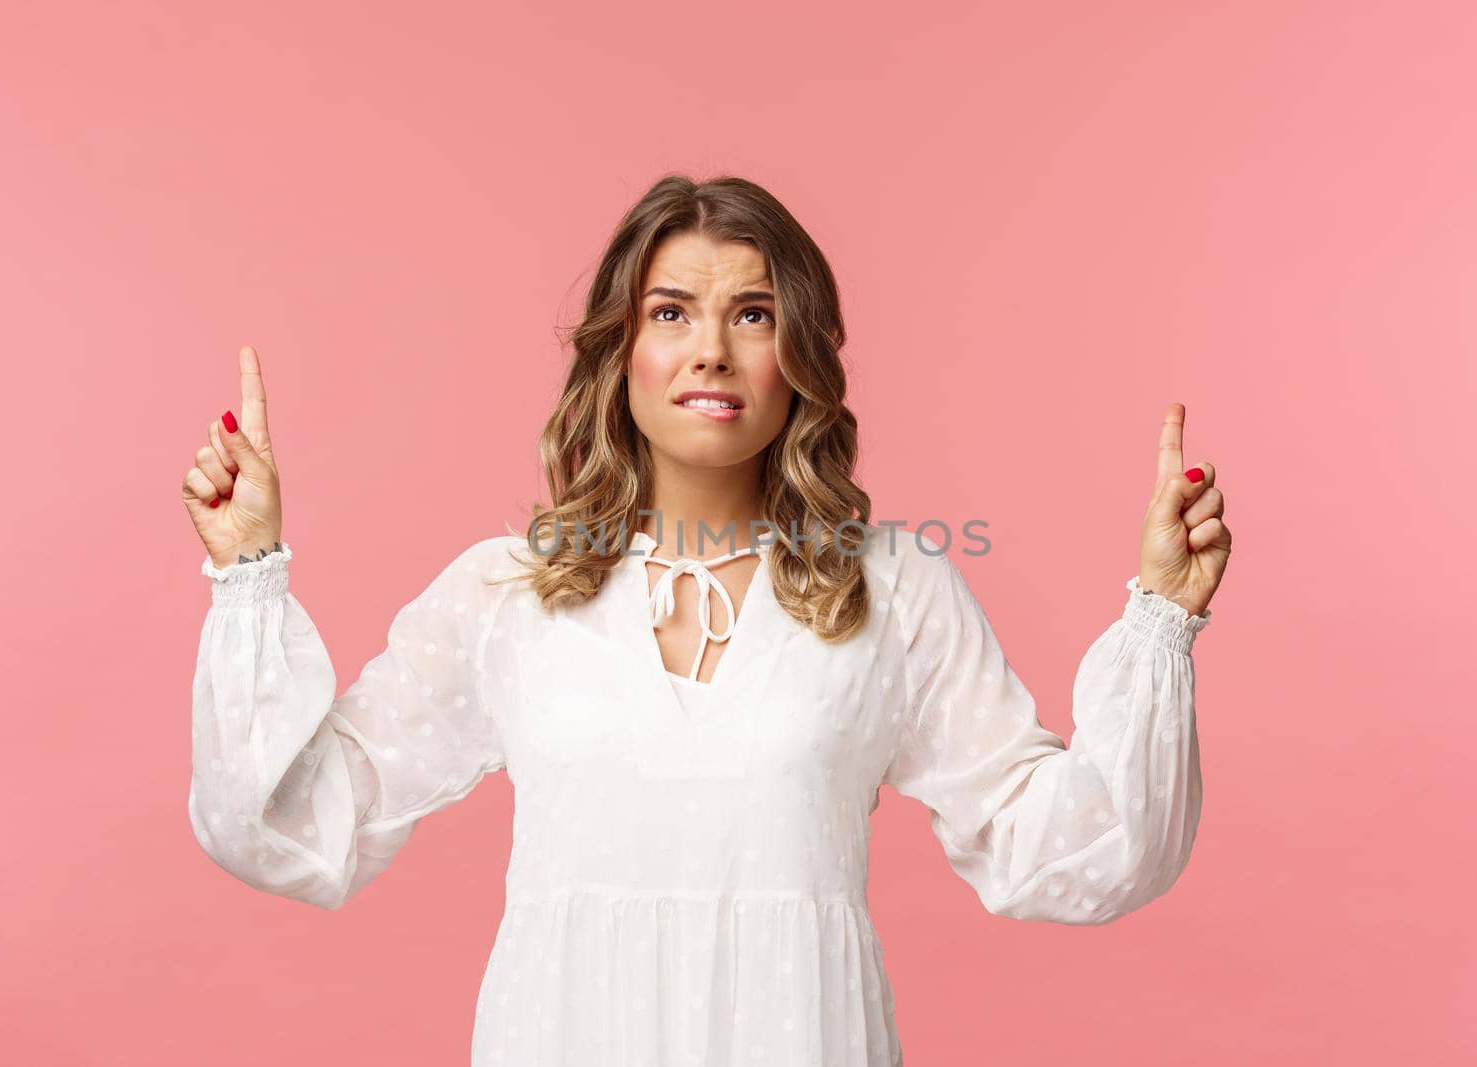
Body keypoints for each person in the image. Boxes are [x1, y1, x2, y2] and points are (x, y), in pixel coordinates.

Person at [180, 175, 1232, 1066]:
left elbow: (1072, 845)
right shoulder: (508, 592)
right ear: (618, 349)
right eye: (670, 311)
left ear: (801, 358)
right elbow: (292, 818)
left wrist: (1159, 622)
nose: (711, 351)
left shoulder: (892, 590)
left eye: (756, 313)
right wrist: (248, 572)